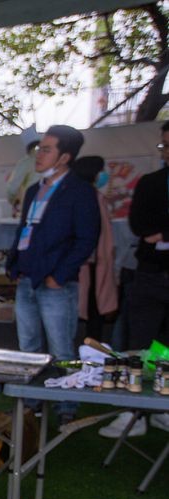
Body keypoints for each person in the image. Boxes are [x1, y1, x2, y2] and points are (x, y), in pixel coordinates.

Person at [7, 125, 100, 425]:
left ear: (64, 157)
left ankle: (67, 405)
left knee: (61, 348)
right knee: (28, 346)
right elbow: (24, 230)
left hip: (56, 283)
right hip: (27, 278)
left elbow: (87, 239)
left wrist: (59, 275)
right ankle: (32, 402)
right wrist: (13, 264)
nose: (39, 155)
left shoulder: (81, 192)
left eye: (47, 149)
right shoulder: (35, 189)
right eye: (39, 149)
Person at [101, 122, 169, 437]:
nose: (166, 152)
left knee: (164, 347)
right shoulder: (151, 182)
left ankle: (159, 405)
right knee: (138, 342)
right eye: (163, 145)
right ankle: (132, 411)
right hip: (150, 274)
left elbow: (156, 231)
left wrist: (164, 233)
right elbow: (141, 225)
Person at [72, 156, 118, 342]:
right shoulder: (90, 197)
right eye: (101, 170)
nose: (104, 174)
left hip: (93, 263)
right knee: (90, 311)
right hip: (89, 264)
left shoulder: (92, 195)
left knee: (92, 310)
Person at [5, 124, 41, 218]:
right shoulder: (52, 160)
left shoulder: (26, 162)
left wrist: (13, 200)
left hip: (30, 207)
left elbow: (12, 188)